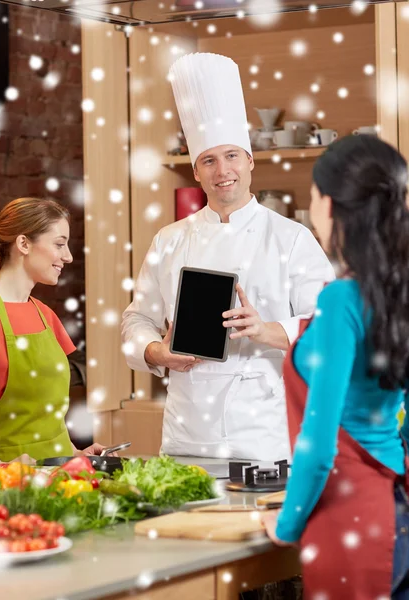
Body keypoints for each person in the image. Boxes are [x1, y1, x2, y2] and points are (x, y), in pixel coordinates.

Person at [121, 53, 334, 461]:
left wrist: (265, 329)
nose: (223, 170)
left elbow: (326, 327)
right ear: (196, 172)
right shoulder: (169, 239)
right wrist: (154, 351)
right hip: (186, 432)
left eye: (232, 155)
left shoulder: (291, 238)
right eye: (209, 160)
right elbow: (137, 318)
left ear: (251, 161)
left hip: (263, 434)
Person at [262, 134, 409, 599]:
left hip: (347, 515)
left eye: (311, 196)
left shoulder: (341, 299)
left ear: (328, 205)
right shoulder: (395, 295)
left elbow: (319, 441)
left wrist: (286, 524)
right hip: (394, 505)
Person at [0, 197, 108, 469]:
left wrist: (75, 453)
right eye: (59, 244)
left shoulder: (44, 315)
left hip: (58, 472)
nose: (68, 256)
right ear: (23, 244)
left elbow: (44, 410)